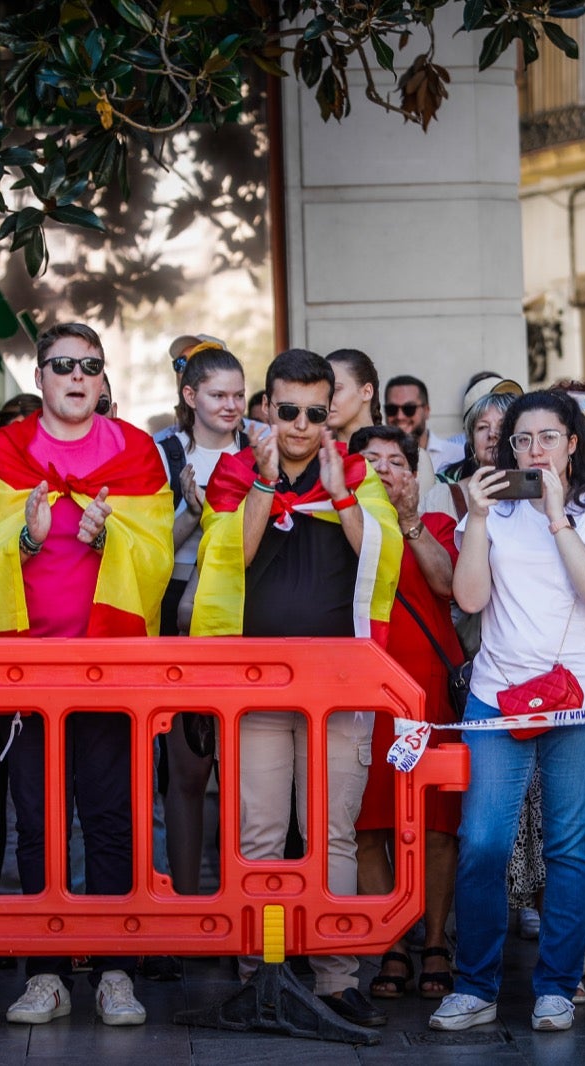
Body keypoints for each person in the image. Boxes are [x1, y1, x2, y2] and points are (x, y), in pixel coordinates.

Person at [0, 321, 172, 1028]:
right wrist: (25, 535)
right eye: (62, 365)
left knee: (112, 817)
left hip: (110, 670)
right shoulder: (5, 451)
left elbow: (158, 554)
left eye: (89, 365)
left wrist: (112, 537)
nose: (76, 376)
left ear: (103, 378)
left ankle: (115, 969)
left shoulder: (136, 452)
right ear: (40, 377)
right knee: (37, 825)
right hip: (27, 673)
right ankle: (44, 971)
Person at [191, 348, 401, 1030]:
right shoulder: (234, 471)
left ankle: (337, 977)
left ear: (330, 410)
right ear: (267, 408)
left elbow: (381, 548)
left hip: (338, 686)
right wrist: (263, 483)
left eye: (316, 412)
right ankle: (261, 972)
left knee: (331, 834)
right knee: (258, 833)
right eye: (288, 411)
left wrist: (338, 491)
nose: (303, 425)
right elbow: (231, 555)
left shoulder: (358, 471)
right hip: (254, 686)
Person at [427, 390, 585, 1035]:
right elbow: (468, 597)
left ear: (574, 443)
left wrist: (556, 517)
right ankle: (475, 986)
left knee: (569, 848)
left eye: (548, 437)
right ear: (505, 448)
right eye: (522, 440)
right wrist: (480, 518)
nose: (534, 449)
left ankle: (558, 987)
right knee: (483, 842)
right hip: (498, 693)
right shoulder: (486, 515)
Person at [349, 425, 462, 1001]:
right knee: (369, 826)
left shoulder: (437, 526)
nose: (385, 470)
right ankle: (391, 944)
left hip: (428, 693)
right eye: (371, 461)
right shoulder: (337, 524)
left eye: (396, 462)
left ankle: (436, 942)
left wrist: (411, 521)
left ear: (413, 475)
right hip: (360, 693)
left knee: (437, 825)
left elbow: (450, 587)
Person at [157, 346, 248, 896]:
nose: (232, 406)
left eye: (239, 395)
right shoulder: (162, 453)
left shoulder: (263, 443)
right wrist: (193, 511)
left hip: (245, 606)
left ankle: (245, 907)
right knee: (187, 770)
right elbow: (148, 553)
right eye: (219, 395)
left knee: (246, 771)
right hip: (179, 611)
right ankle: (189, 908)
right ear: (190, 397)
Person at [423, 378, 521, 518]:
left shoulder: (536, 491)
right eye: (482, 427)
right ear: (471, 439)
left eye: (503, 426)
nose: (492, 434)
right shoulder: (442, 497)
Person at [385, 374, 453, 480]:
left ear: (426, 411)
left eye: (409, 409)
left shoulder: (455, 454)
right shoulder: (375, 460)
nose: (400, 416)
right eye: (391, 409)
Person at [326, 348, 381, 446]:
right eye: (323, 391)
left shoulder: (393, 452)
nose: (326, 399)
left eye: (336, 389)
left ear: (366, 392)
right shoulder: (318, 456)